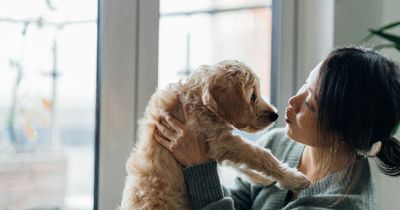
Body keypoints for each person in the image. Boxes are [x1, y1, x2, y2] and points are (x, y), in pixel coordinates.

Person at [154, 47, 400, 209]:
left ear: (343, 132)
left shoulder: (341, 204)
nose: (293, 102)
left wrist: (200, 168)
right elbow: (239, 202)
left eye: (311, 104)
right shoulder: (278, 143)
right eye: (305, 84)